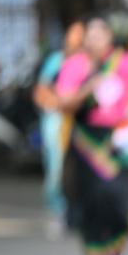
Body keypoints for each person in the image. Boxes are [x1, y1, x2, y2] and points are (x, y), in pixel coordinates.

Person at [54, 15, 128, 255]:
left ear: (109, 37)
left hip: (120, 137)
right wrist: (88, 88)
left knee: (116, 196)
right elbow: (64, 103)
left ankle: (119, 242)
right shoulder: (75, 65)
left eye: (101, 34)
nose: (95, 39)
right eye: (91, 34)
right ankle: (96, 253)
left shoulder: (127, 62)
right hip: (87, 139)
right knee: (91, 199)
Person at [32, 21, 84, 234]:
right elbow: (41, 90)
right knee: (57, 169)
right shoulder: (57, 61)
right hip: (57, 122)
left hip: (82, 123)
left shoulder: (90, 64)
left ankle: (80, 214)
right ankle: (59, 212)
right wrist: (56, 104)